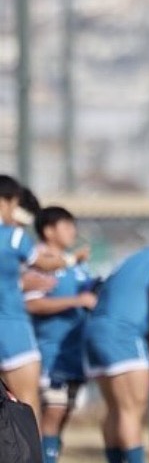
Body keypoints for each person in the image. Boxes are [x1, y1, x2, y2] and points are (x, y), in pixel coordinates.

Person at [87, 211, 149, 463]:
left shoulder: (139, 256)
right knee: (131, 408)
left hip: (96, 329)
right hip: (124, 332)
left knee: (115, 408)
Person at [24, 207, 96, 463]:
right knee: (52, 412)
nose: (72, 231)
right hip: (49, 351)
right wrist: (76, 301)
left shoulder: (77, 265)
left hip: (75, 353)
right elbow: (31, 303)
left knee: (63, 414)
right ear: (48, 230)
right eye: (66, 226)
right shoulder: (40, 262)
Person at [0, 176, 63, 441]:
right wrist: (67, 259)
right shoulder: (14, 237)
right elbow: (45, 263)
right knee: (26, 402)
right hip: (11, 325)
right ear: (8, 202)